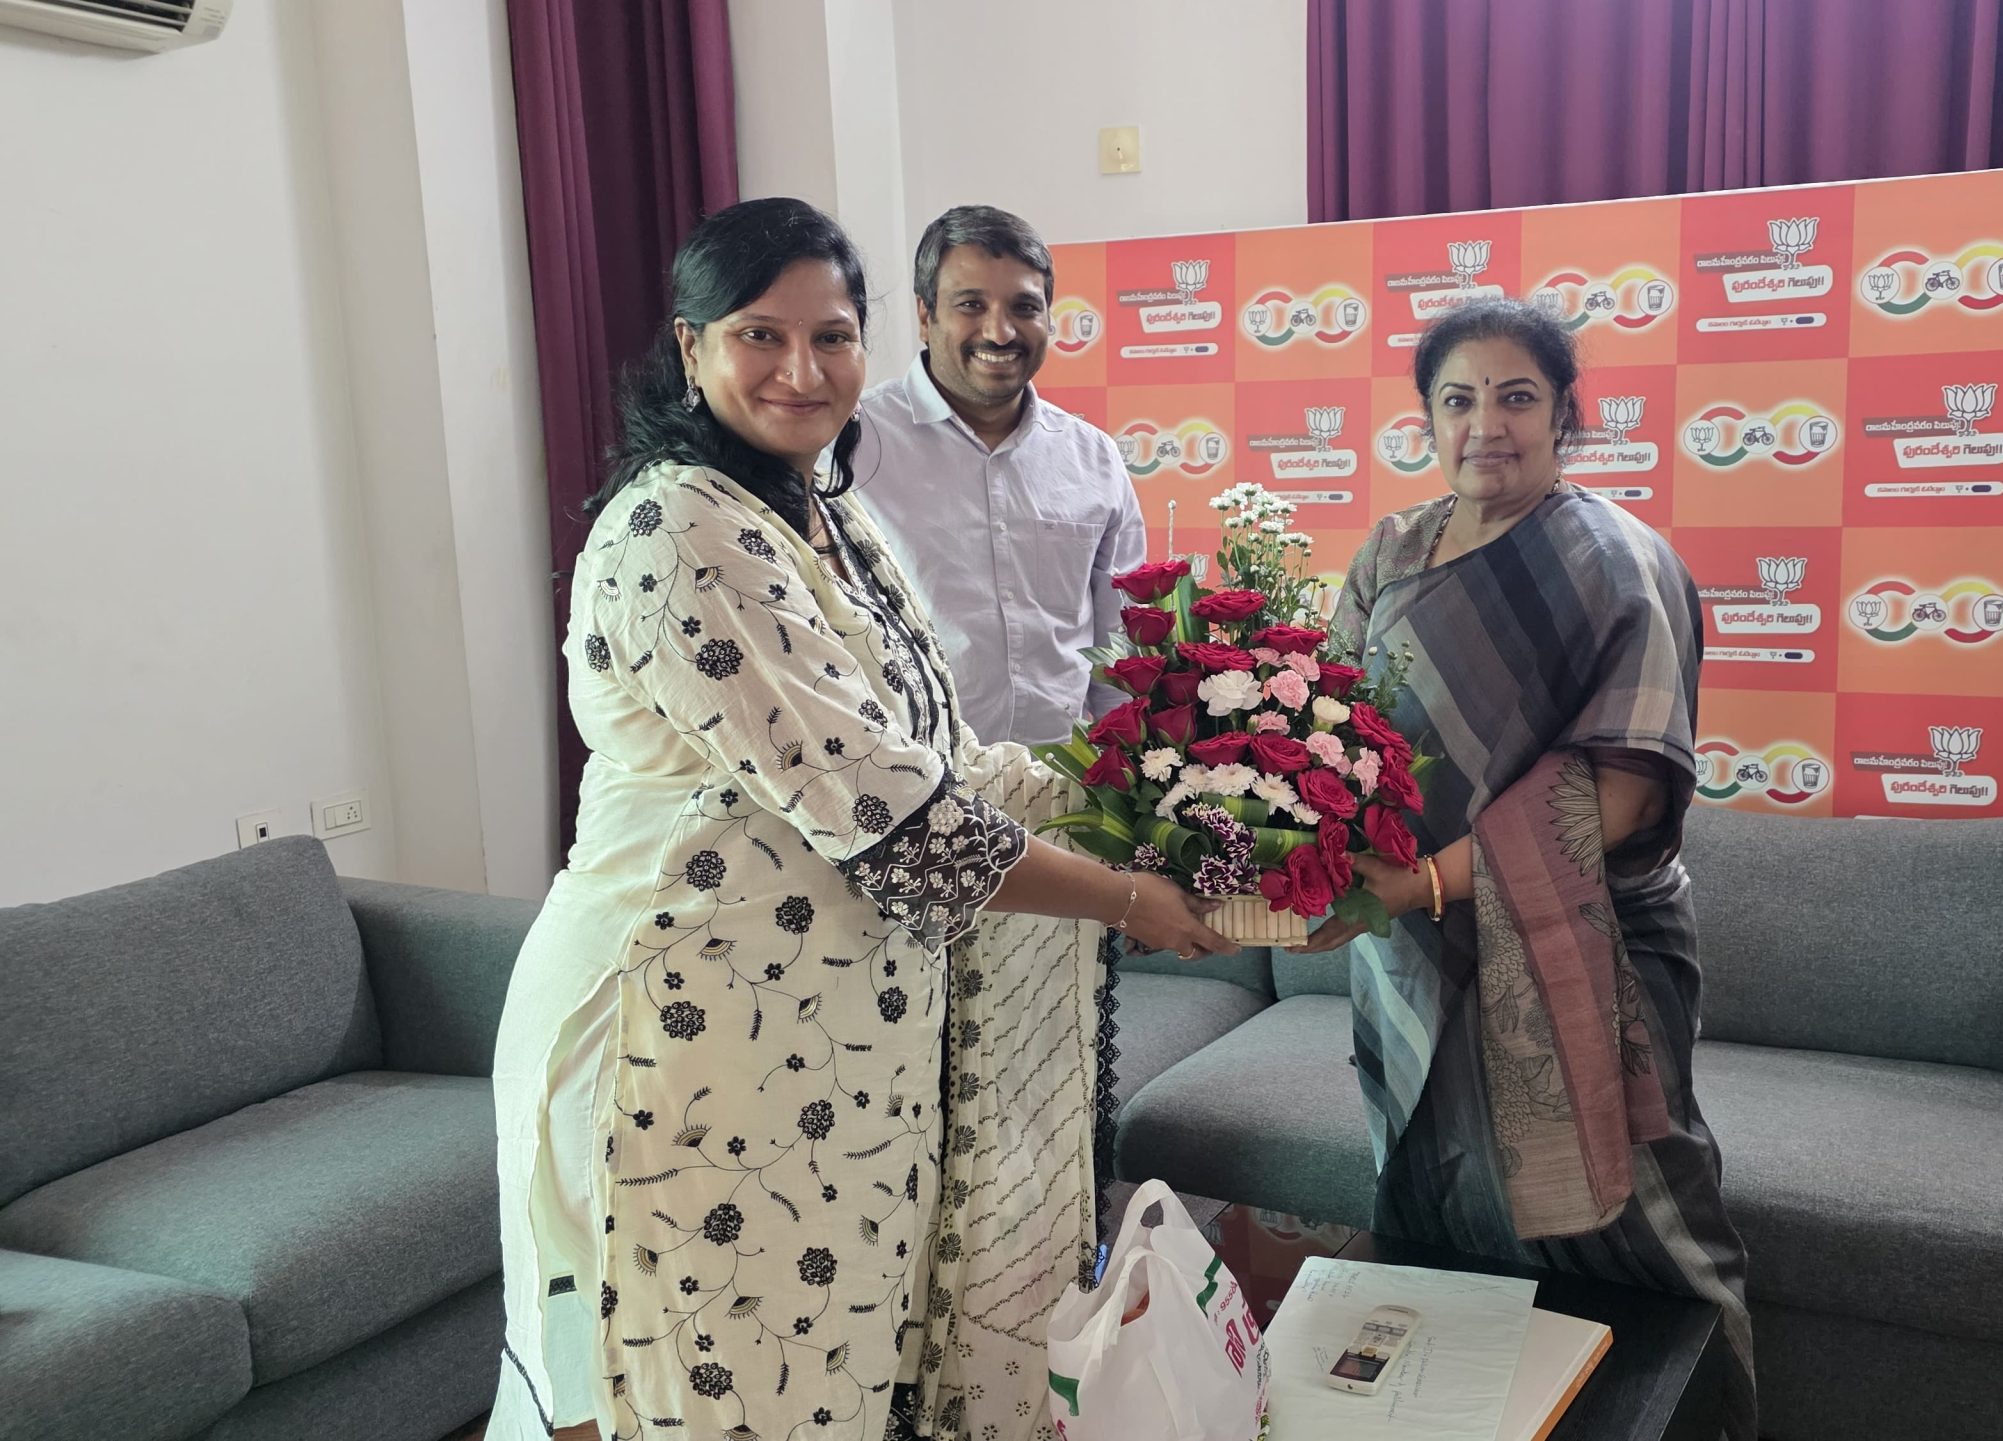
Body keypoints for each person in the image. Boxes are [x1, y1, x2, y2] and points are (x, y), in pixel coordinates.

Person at [488, 197, 1232, 1441]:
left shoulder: (823, 512)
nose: (802, 370)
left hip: (828, 1044)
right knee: (702, 1386)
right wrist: (1127, 896)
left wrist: (1167, 804)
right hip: (681, 1038)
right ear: (691, 346)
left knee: (822, 1378)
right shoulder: (680, 528)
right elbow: (898, 822)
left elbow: (944, 758)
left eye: (831, 337)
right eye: (761, 336)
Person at [1301, 297, 1758, 1437]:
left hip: (1587, 945)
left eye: (1516, 397)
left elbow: (1624, 793)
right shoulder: (1393, 551)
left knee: (1636, 1217)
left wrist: (1423, 881)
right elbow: (1329, 734)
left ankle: (1681, 1417)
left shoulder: (1618, 562)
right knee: (1434, 1195)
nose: (1485, 425)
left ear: (1564, 413)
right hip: (1410, 951)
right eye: (1457, 399)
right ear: (1427, 418)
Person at [853, 204, 1145, 746]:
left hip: (1066, 781)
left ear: (1049, 318)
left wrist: (1122, 764)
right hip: (909, 780)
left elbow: (1119, 643)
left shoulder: (1095, 459)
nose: (1000, 331)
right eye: (971, 305)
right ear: (925, 315)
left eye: (1024, 307)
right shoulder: (849, 445)